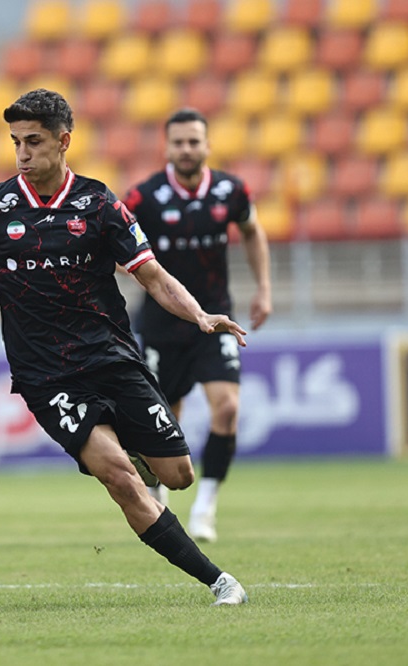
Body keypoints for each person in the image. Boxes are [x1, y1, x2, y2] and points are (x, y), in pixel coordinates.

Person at [0, 89, 249, 606]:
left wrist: (198, 314)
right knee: (121, 479)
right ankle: (220, 582)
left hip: (111, 357)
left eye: (34, 141)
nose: (22, 153)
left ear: (63, 141)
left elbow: (152, 276)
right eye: (16, 142)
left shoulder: (100, 203)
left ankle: (133, 448)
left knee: (178, 476)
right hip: (46, 375)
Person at [123, 108, 272, 543]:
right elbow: (118, 247)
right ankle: (158, 495)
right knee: (166, 418)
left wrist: (264, 288)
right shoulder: (144, 198)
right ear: (167, 147)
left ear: (207, 145)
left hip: (216, 318)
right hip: (161, 324)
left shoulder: (231, 190)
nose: (186, 149)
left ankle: (205, 507)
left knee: (227, 407)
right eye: (179, 142)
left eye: (194, 141)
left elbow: (252, 231)